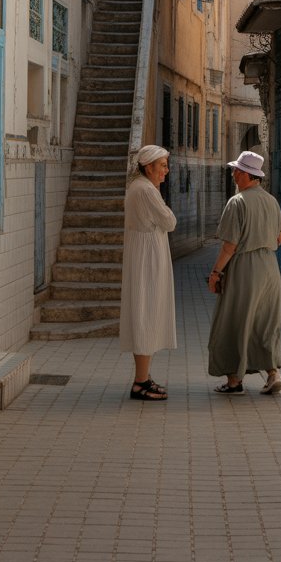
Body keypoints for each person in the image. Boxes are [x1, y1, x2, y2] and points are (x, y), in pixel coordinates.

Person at [207, 151, 281, 395]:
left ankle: (234, 381)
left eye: (236, 171)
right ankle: (272, 374)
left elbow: (229, 246)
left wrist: (215, 273)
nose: (233, 175)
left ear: (244, 175)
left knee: (234, 321)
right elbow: (280, 238)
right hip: (270, 268)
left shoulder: (237, 202)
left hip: (245, 268)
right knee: (265, 323)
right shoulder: (271, 201)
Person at [120, 145, 177, 401]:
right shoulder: (146, 190)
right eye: (163, 165)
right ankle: (140, 382)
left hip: (143, 252)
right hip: (148, 258)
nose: (166, 171)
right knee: (146, 313)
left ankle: (142, 377)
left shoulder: (138, 187)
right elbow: (170, 221)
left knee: (144, 313)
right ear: (149, 166)